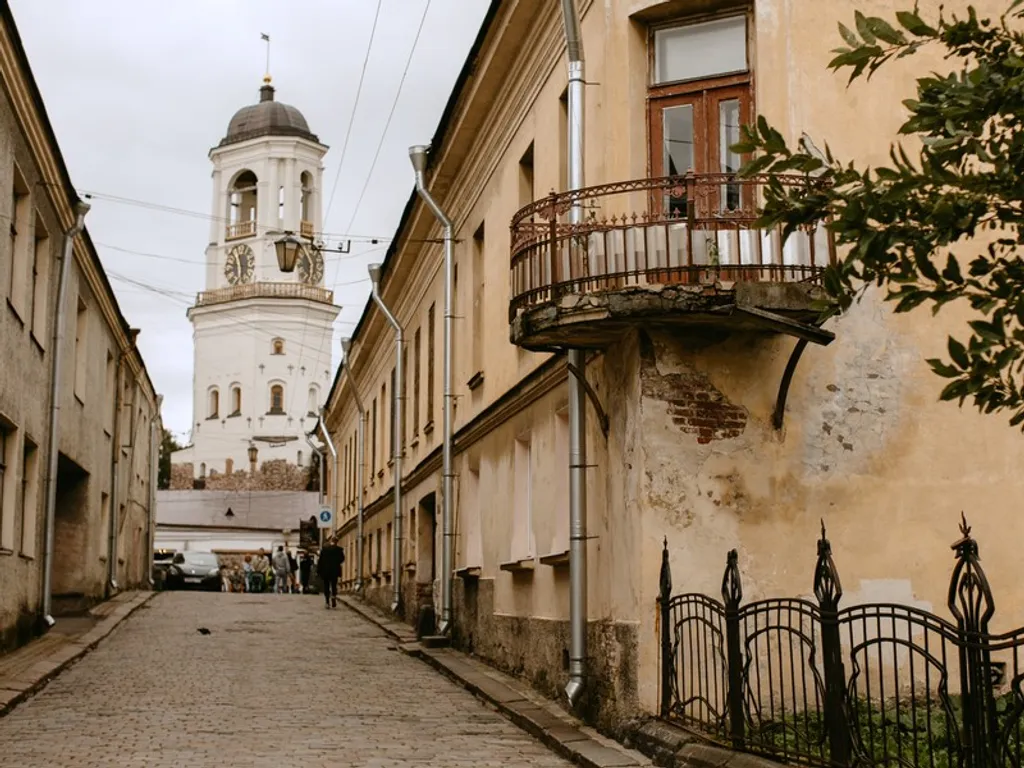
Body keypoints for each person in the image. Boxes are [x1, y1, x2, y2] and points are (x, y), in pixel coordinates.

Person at [317, 537, 344, 609]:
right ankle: (333, 596)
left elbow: (320, 561)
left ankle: (327, 602)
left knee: (326, 585)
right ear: (337, 542)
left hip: (326, 571)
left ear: (331, 541)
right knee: (334, 585)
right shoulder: (339, 550)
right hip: (334, 571)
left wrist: (319, 571)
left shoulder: (324, 550)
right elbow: (342, 559)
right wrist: (336, 563)